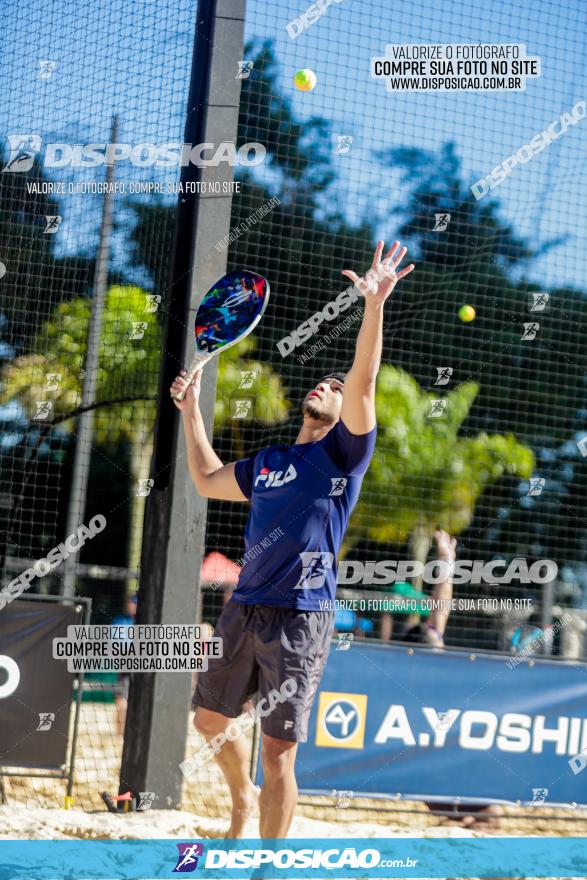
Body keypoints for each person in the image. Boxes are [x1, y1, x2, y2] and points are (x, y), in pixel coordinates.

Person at [170, 241, 414, 839]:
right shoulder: (273, 461)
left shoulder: (344, 454)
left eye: (336, 388)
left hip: (301, 617)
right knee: (207, 721)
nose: (329, 387)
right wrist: (189, 411)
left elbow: (365, 377)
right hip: (244, 606)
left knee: (279, 752)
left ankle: (269, 862)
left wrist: (374, 305)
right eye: (323, 384)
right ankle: (241, 802)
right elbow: (204, 479)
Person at [401, 531, 503, 828]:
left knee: (489, 816)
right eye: (436, 642)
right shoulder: (410, 677)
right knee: (469, 812)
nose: (440, 641)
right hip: (427, 767)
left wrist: (447, 560)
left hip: (456, 758)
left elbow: (440, 608)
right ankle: (462, 818)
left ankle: (466, 819)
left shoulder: (430, 653)